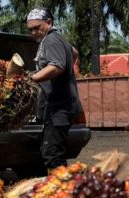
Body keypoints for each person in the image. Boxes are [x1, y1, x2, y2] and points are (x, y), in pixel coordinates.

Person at [27, 7, 82, 170]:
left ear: (49, 22)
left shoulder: (51, 39)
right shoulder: (58, 39)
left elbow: (56, 67)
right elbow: (74, 52)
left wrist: (30, 78)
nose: (33, 33)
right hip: (61, 106)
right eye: (30, 30)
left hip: (60, 108)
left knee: (53, 155)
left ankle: (62, 191)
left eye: (37, 28)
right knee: (51, 151)